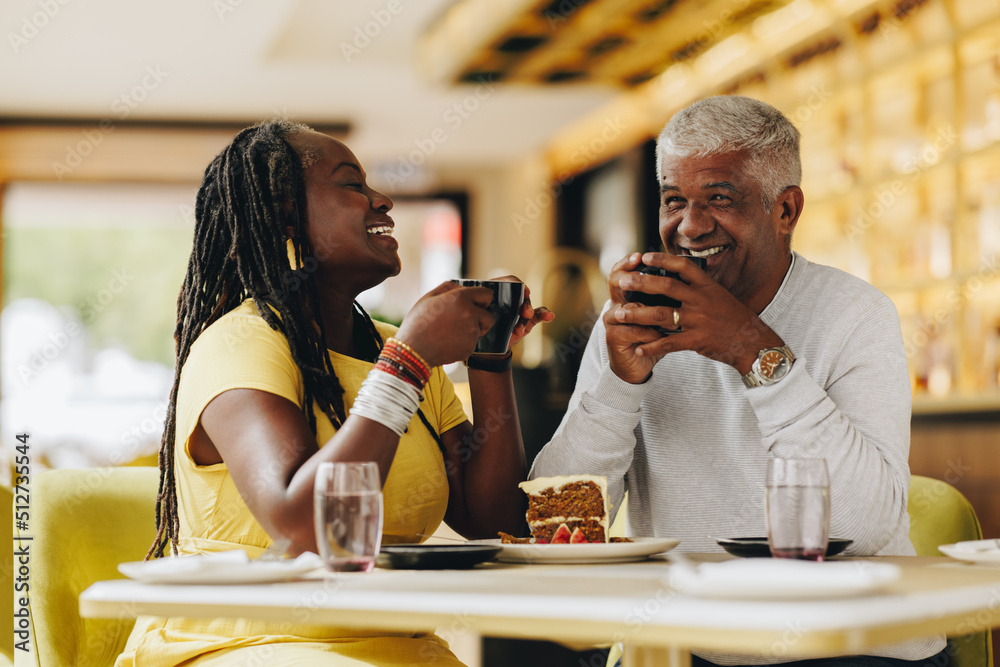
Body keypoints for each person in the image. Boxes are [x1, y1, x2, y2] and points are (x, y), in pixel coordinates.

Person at [116, 118, 552, 667]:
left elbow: (494, 522)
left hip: (393, 645)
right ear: (285, 216)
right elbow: (305, 527)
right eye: (353, 185)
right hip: (243, 643)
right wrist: (408, 362)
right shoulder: (241, 342)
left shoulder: (396, 351)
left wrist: (490, 356)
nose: (383, 200)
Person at [530, 96, 946, 666]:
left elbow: (862, 526)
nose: (690, 226)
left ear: (786, 211)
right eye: (674, 201)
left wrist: (752, 349)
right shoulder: (633, 324)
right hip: (690, 648)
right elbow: (556, 518)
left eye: (719, 200)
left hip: (855, 648)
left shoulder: (856, 314)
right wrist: (618, 385)